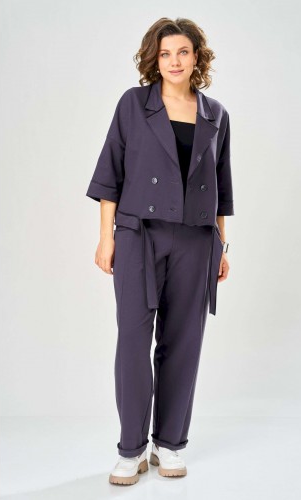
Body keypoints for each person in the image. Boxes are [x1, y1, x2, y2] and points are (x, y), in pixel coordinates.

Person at [85, 17, 234, 486]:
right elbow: (110, 173)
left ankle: (169, 443)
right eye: (166, 53)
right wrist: (106, 236)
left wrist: (222, 246)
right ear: (155, 58)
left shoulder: (216, 115)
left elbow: (222, 187)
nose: (174, 61)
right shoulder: (134, 104)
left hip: (196, 239)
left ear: (196, 58)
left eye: (183, 52)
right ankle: (131, 449)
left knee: (183, 342)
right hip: (138, 234)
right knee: (133, 340)